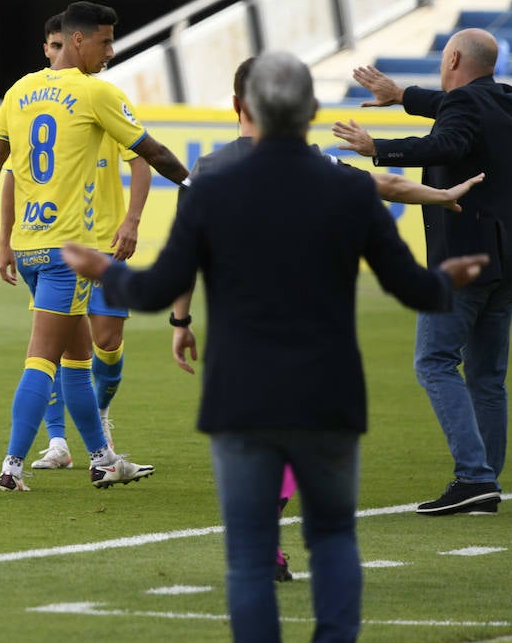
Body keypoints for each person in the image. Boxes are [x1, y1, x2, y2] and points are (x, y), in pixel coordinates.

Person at [62, 51, 489, 643]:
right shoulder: (346, 190)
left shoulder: (210, 184)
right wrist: (452, 278)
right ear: (313, 111)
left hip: (242, 394)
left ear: (241, 108)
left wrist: (102, 269)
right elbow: (411, 286)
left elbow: (156, 288)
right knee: (335, 535)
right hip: (330, 393)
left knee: (249, 550)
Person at [170, 57, 486, 580]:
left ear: (236, 105)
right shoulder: (315, 163)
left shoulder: (205, 172)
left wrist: (180, 323)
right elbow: (384, 186)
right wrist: (441, 193)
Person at [0, 2, 190, 493]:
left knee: (77, 361)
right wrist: (197, 184)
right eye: (105, 42)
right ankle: (11, 466)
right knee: (42, 358)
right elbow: (153, 153)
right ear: (77, 41)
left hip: (29, 247)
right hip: (68, 253)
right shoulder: (94, 92)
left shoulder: (19, 91)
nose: (110, 51)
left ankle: (103, 460)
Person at [333, 28, 512, 516]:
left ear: (454, 57)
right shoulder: (506, 101)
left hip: (463, 258)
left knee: (434, 361)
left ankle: (474, 476)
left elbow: (446, 141)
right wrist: (400, 94)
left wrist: (376, 147)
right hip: (507, 260)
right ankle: (485, 481)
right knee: (487, 376)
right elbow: (454, 111)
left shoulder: (463, 108)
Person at [0, 9, 151, 472]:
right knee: (53, 351)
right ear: (59, 45)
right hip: (69, 247)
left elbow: (140, 159)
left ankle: (101, 447)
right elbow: (9, 174)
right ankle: (46, 449)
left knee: (96, 345)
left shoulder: (99, 98)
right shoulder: (47, 95)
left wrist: (131, 221)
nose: (107, 52)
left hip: (99, 241)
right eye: (53, 45)